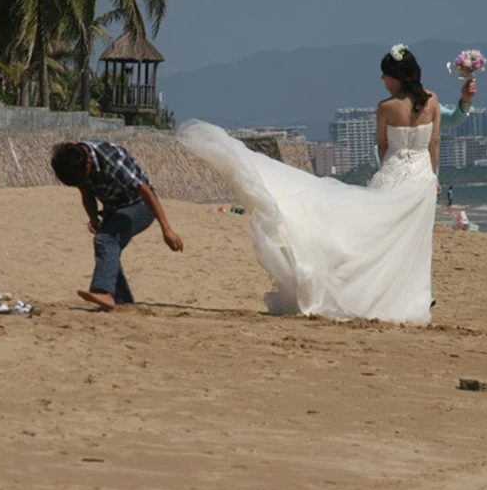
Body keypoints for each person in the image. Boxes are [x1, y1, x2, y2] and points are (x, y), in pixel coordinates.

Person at [178, 44, 440, 324]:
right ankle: (410, 298)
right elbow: (434, 143)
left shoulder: (386, 108)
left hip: (394, 173)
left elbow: (383, 146)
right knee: (413, 242)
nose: (382, 81)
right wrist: (434, 177)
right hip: (422, 179)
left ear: (396, 77)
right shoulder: (433, 101)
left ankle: (369, 293)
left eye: (385, 76)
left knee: (377, 236)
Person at [51, 141, 184, 311]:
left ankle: (104, 291)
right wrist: (93, 218)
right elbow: (86, 194)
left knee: (105, 240)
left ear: (89, 164)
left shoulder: (112, 161)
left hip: (140, 205)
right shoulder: (73, 163)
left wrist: (167, 229)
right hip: (113, 209)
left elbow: (146, 192)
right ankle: (123, 302)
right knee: (109, 248)